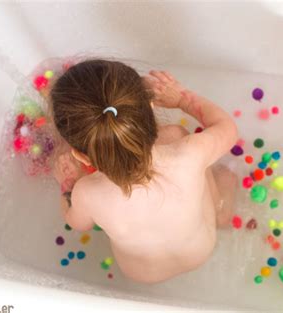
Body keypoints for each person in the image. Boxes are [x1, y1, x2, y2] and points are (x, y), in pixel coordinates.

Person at [50, 59, 238, 283]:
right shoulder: (188, 153)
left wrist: (68, 183)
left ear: (80, 155)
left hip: (143, 274)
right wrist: (182, 99)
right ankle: (221, 212)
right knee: (178, 137)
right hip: (199, 251)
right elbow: (228, 129)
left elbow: (78, 223)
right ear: (151, 106)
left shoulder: (86, 192)